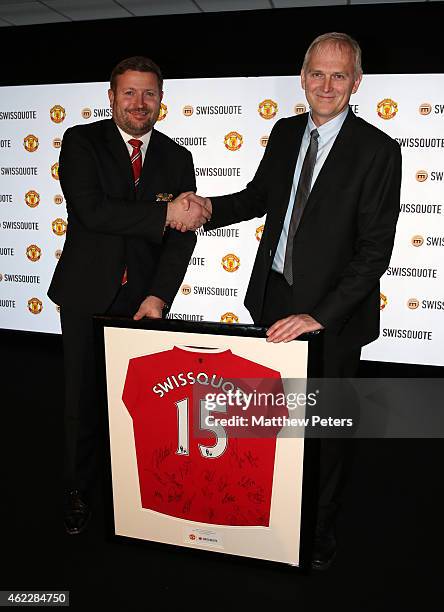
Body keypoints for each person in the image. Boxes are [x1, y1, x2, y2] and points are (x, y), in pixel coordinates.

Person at [183, 33, 402, 569]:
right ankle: (273, 507)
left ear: (356, 82)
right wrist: (208, 206)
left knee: (324, 429)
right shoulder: (284, 133)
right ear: (303, 77)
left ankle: (320, 525)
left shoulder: (379, 151)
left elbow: (373, 254)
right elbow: (261, 196)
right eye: (317, 74)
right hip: (273, 300)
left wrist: (320, 316)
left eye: (339, 75)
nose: (326, 86)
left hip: (333, 318)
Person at [48, 56, 210, 535]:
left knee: (141, 401)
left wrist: (160, 295)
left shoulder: (178, 158)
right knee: (82, 399)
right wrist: (164, 215)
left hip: (143, 303)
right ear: (111, 97)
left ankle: (135, 488)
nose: (139, 103)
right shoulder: (82, 142)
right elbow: (93, 211)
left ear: (161, 99)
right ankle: (77, 489)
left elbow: (183, 238)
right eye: (129, 93)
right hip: (85, 295)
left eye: (149, 94)